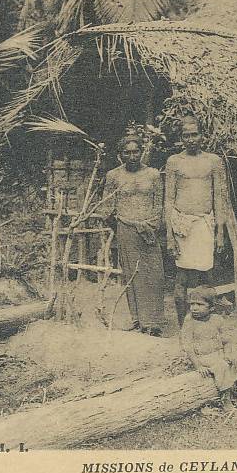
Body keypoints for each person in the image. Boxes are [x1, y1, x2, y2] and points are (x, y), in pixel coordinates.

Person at [164, 114, 227, 327]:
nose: (191, 139)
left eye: (195, 134)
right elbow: (169, 199)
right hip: (182, 225)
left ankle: (208, 325)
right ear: (180, 138)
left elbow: (219, 197)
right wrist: (169, 236)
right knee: (181, 278)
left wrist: (220, 232)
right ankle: (185, 327)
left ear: (203, 136)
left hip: (205, 225)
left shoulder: (213, 161)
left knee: (208, 277)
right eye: (186, 135)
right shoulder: (174, 161)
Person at [103, 134, 167, 336]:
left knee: (154, 274)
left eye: (135, 151)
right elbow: (107, 208)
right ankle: (139, 319)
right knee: (132, 273)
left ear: (142, 152)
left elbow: (159, 204)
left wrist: (150, 225)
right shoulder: (113, 176)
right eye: (127, 152)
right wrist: (122, 226)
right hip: (126, 228)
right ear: (120, 155)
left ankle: (154, 322)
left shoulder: (154, 174)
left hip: (150, 229)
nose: (132, 156)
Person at [180, 286, 237, 410]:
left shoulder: (217, 319)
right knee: (221, 365)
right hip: (203, 357)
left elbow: (226, 340)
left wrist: (227, 353)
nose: (194, 308)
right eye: (192, 304)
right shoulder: (189, 321)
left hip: (219, 353)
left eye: (200, 304)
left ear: (211, 307)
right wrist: (198, 366)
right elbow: (188, 346)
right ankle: (226, 400)